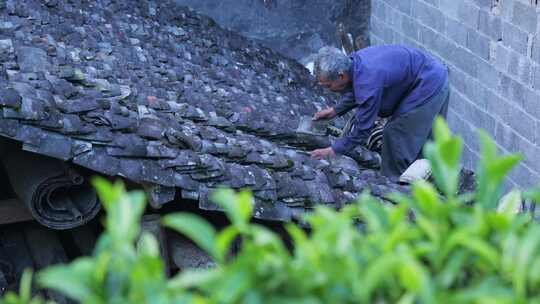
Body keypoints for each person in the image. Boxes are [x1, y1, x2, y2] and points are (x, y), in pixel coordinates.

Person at [310, 45, 449, 181]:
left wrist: (333, 150)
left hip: (429, 84)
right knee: (423, 144)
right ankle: (428, 184)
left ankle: (395, 185)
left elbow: (363, 128)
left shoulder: (368, 79)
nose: (328, 89)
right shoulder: (354, 64)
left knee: (396, 133)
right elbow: (359, 91)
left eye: (328, 85)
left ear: (341, 76)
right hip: (431, 75)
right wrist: (335, 111)